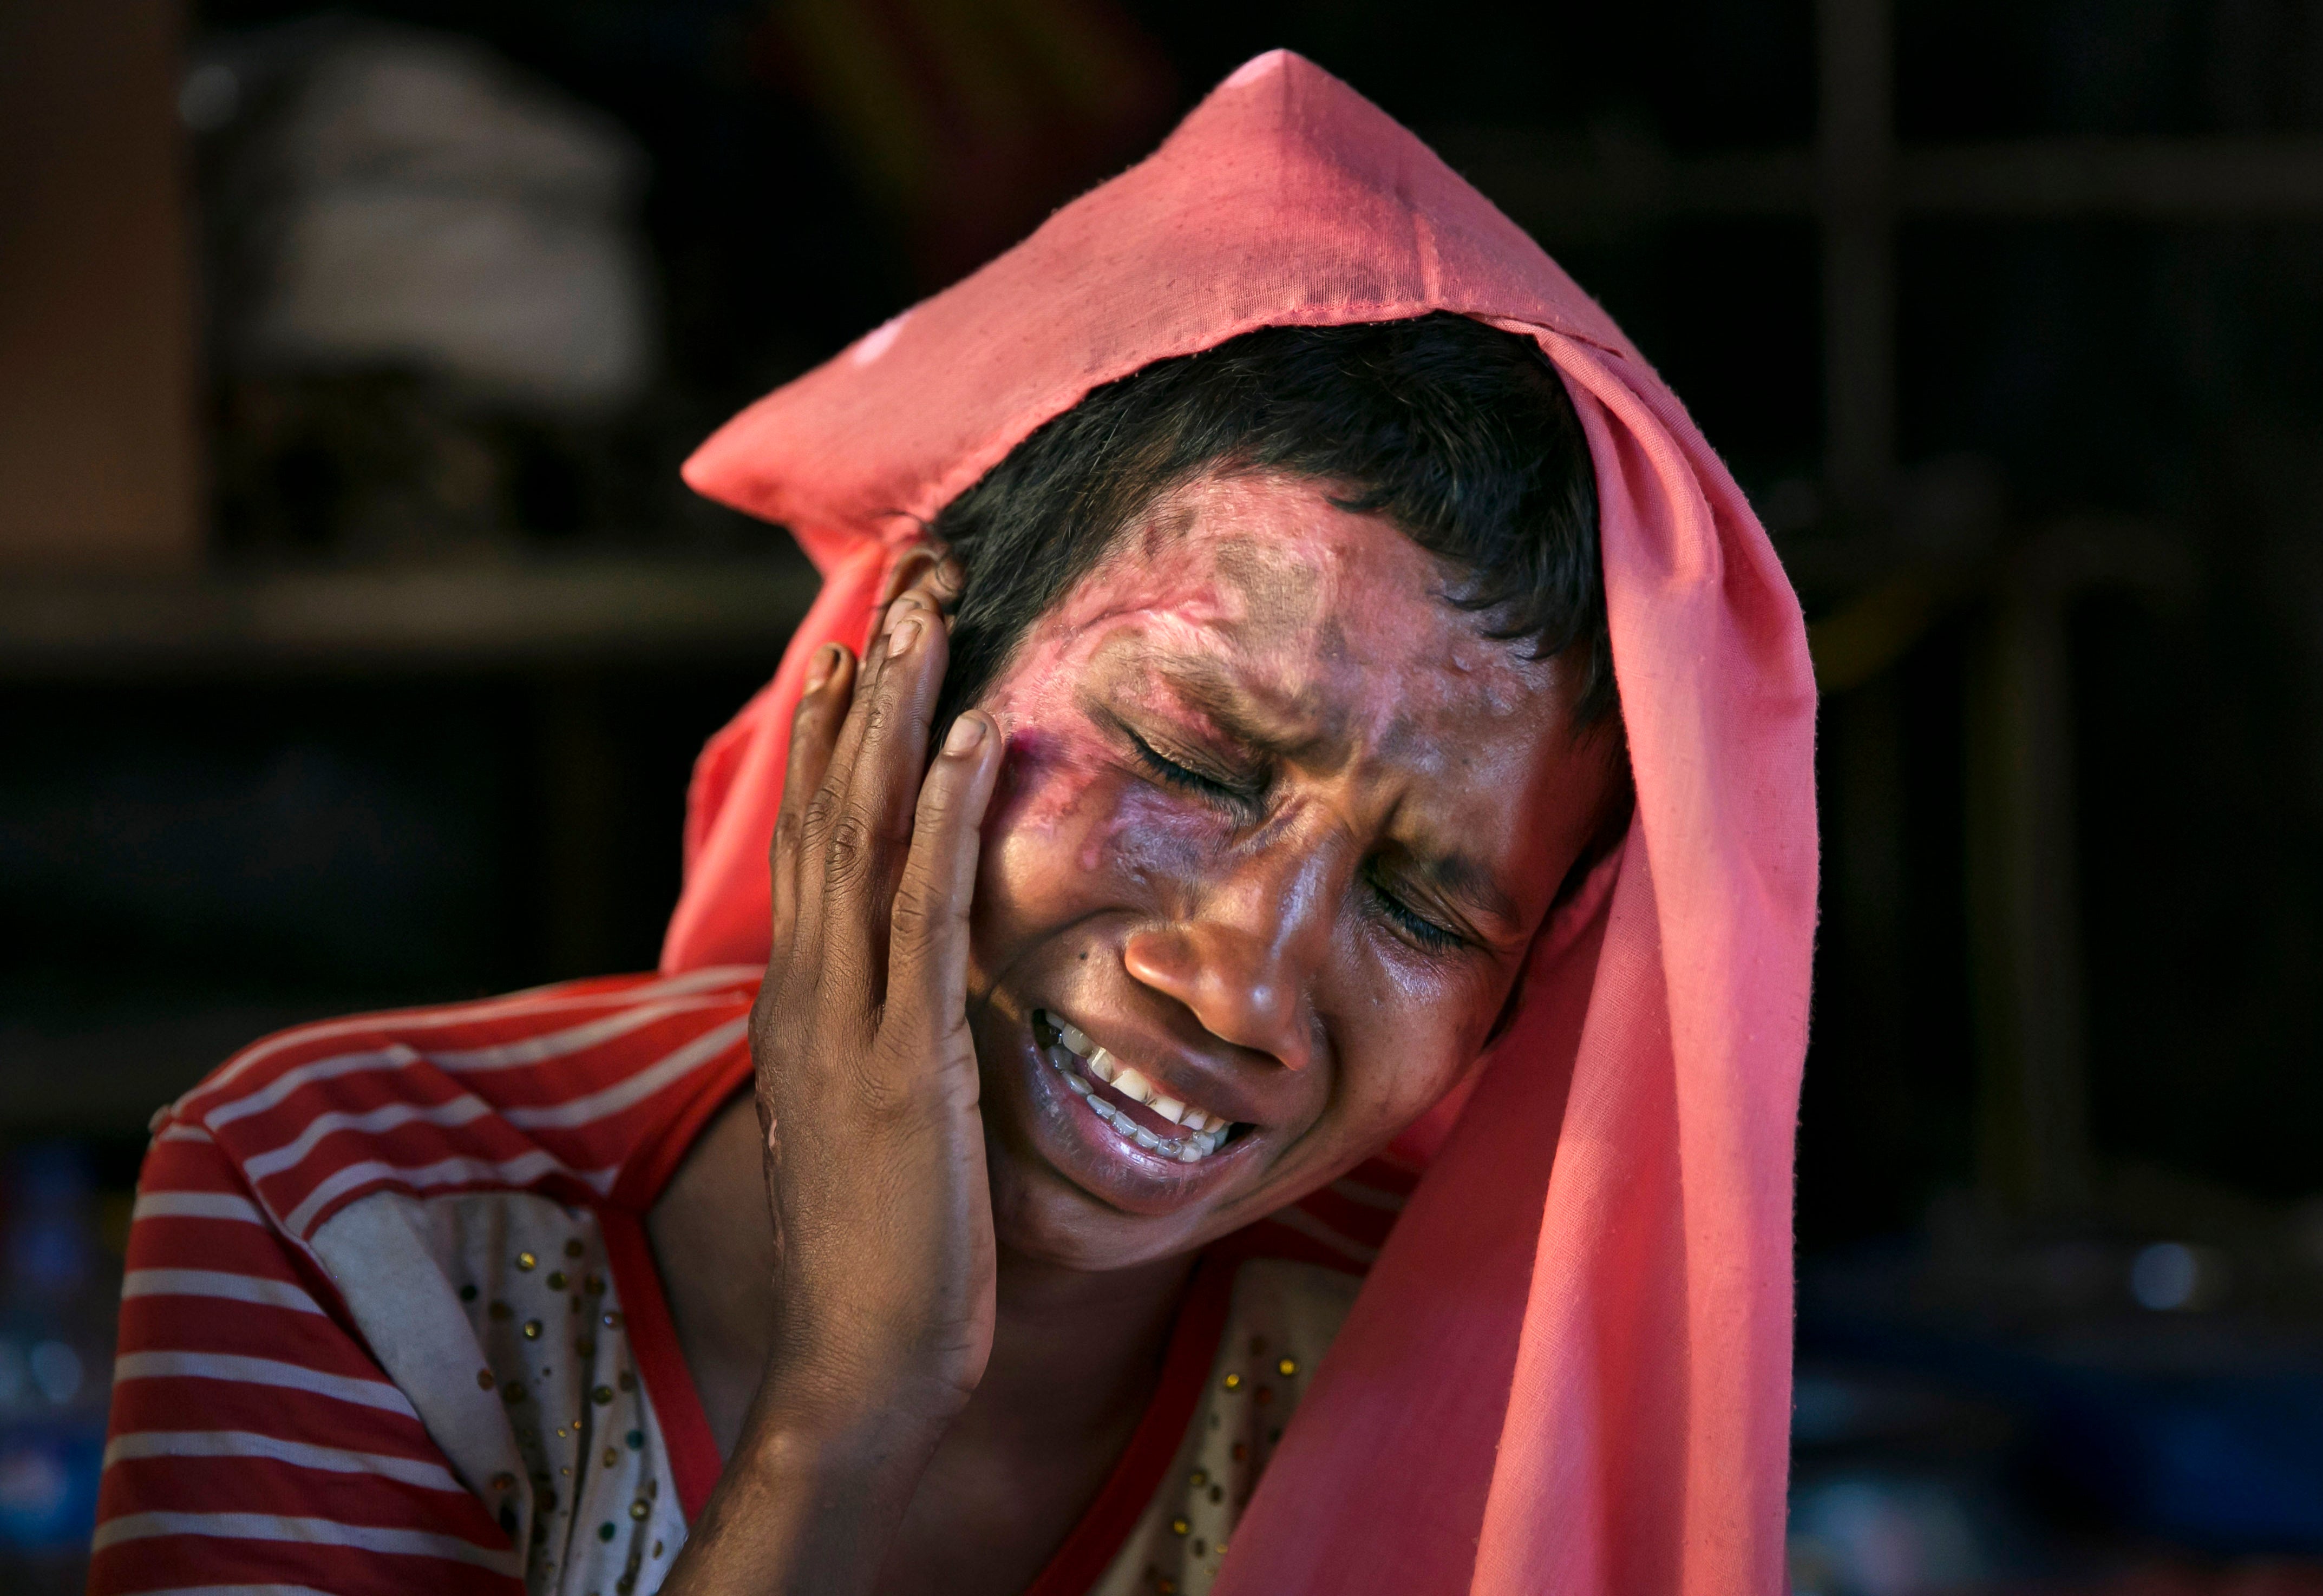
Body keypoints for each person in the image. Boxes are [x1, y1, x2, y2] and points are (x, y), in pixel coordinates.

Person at [89, 50, 1817, 1596]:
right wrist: (843, 1420)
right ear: (901, 662)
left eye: (1429, 910)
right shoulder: (352, 1220)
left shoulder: (1453, 1393)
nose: (1244, 985)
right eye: (1192, 761)